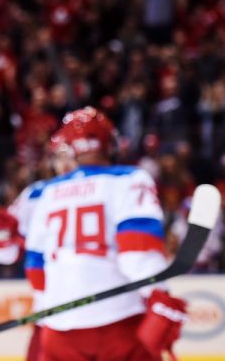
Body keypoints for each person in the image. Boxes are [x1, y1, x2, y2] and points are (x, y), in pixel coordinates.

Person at [23, 106, 187, 360]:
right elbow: (138, 250)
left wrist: (46, 314)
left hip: (60, 328)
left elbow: (36, 267)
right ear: (110, 144)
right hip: (120, 322)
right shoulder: (129, 179)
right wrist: (159, 293)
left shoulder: (46, 192)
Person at [0, 132, 77, 360]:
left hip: (102, 307)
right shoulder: (36, 195)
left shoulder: (108, 186)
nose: (64, 163)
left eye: (70, 155)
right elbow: (4, 254)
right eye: (59, 156)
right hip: (50, 310)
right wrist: (0, 236)